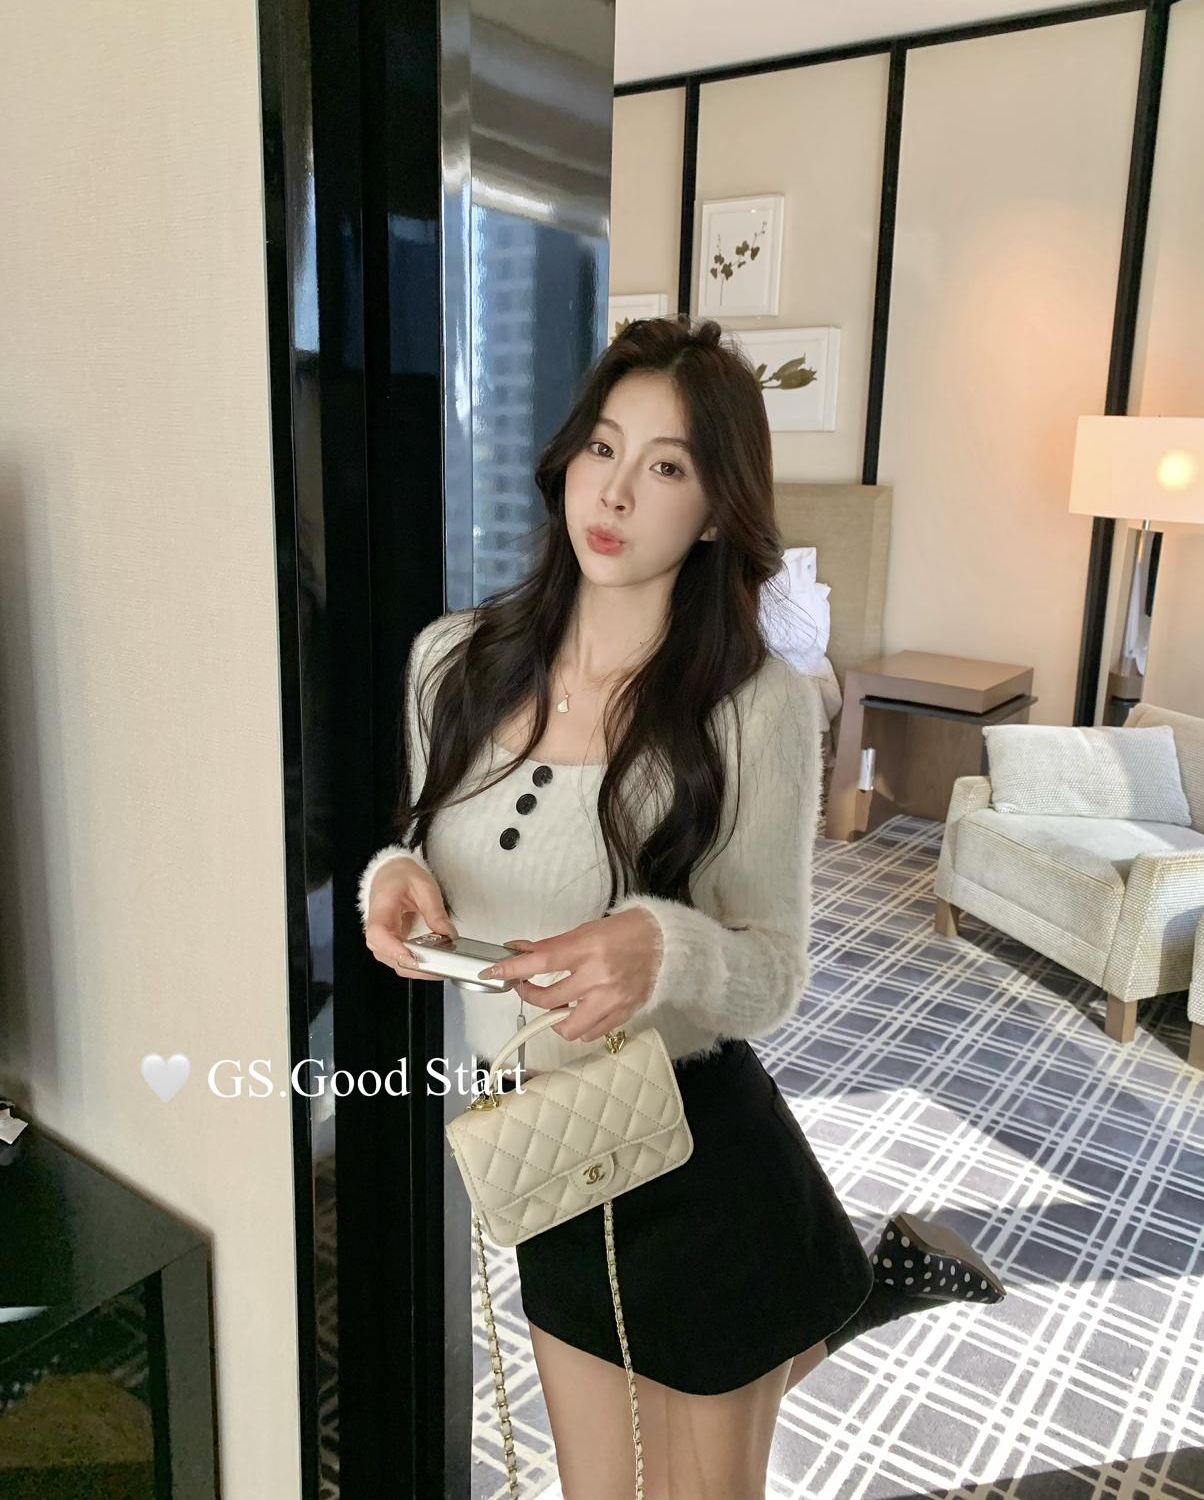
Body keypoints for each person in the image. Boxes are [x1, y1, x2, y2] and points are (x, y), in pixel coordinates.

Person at [359, 316, 1006, 1499]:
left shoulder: (755, 706)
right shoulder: (452, 661)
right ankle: (865, 1283)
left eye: (665, 466)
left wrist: (663, 945)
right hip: (548, 1153)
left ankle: (846, 1285)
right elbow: (427, 834)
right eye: (601, 447)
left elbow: (776, 971)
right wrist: (393, 878)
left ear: (713, 511)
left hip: (695, 1153)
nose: (614, 491)